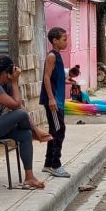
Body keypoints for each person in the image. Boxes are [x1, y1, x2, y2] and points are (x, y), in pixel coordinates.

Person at [0, 55, 52, 189]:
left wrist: (34, 129)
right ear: (6, 74)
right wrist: (14, 82)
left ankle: (29, 178)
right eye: (12, 71)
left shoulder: (4, 84)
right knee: (21, 114)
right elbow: (17, 106)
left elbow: (20, 107)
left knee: (25, 135)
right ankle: (35, 134)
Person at [40, 27, 71, 178]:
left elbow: (55, 77)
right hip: (53, 101)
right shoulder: (51, 56)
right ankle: (55, 164)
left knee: (55, 130)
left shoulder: (58, 56)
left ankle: (48, 163)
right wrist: (51, 98)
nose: (66, 42)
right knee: (59, 130)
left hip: (58, 100)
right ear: (55, 41)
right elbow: (46, 77)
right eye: (64, 39)